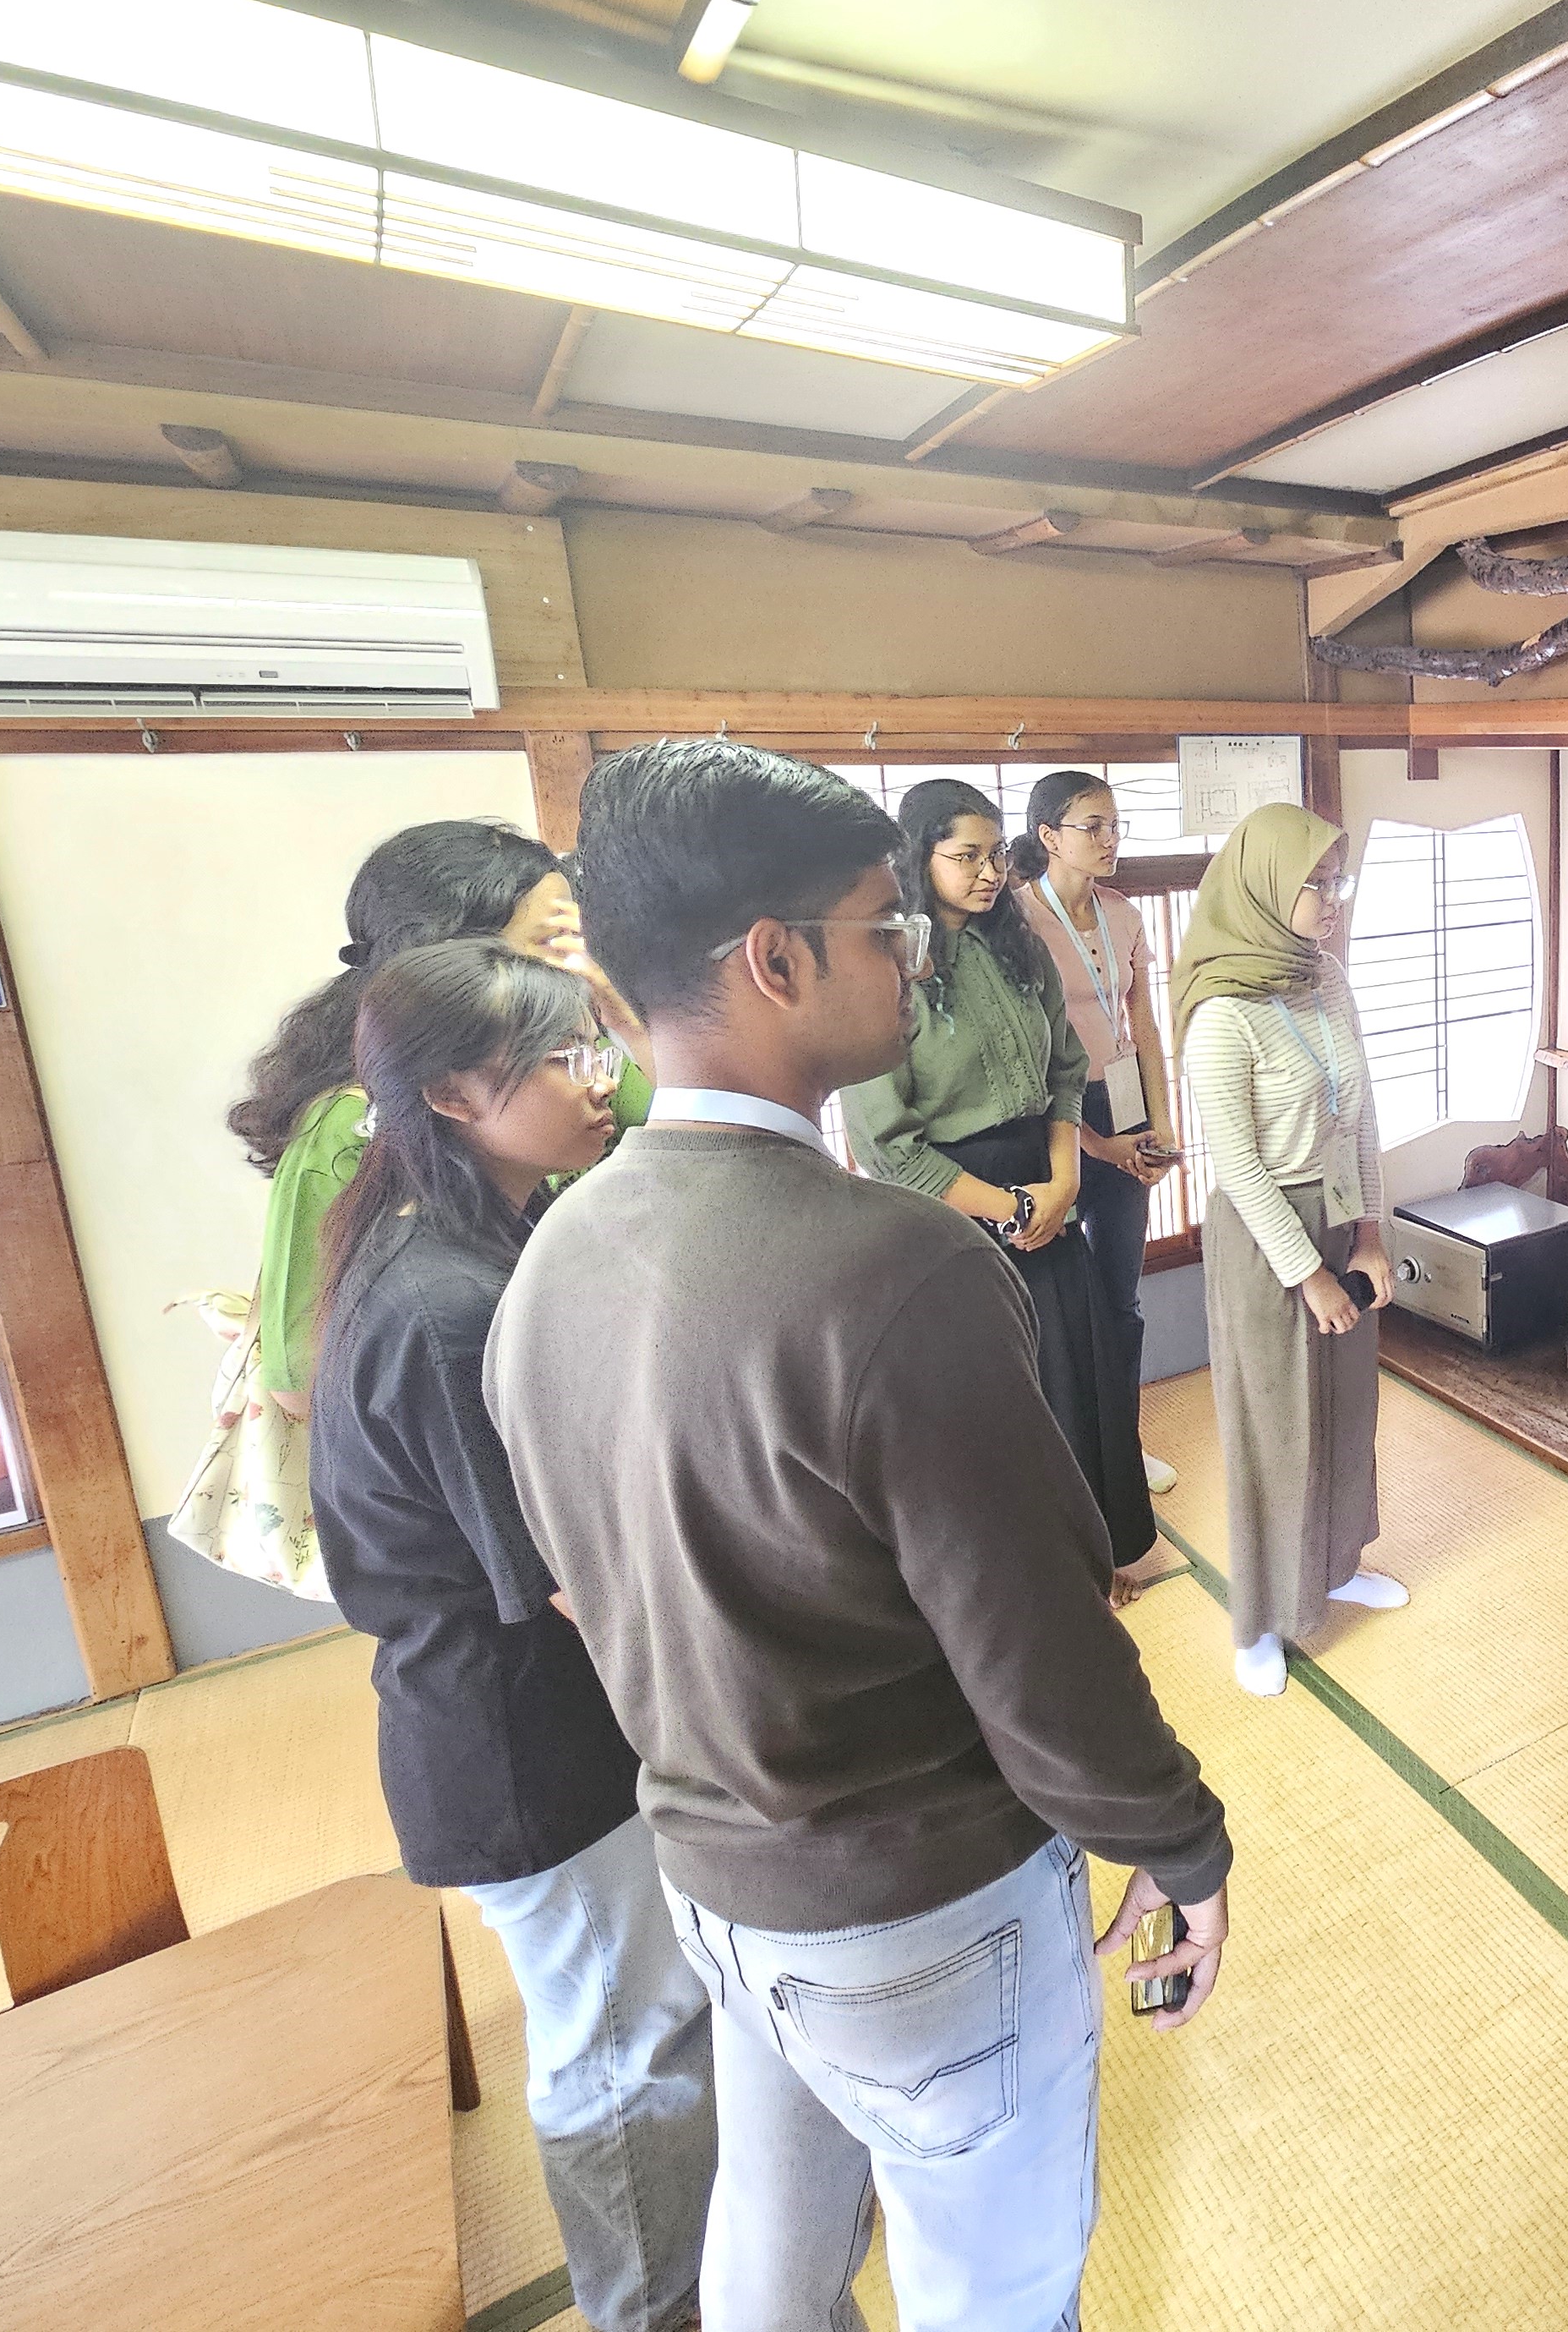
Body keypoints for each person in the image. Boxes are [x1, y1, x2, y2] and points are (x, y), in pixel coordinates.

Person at [483, 740, 1230, 2332]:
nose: (911, 957)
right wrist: (1180, 1842)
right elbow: (1040, 1651)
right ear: (774, 960)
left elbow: (592, 1588)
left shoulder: (555, 1257)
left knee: (775, 2223)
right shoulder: (894, 1272)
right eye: (885, 926)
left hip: (714, 1875)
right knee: (994, 2282)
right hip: (919, 1907)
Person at [307, 939, 714, 2332]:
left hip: (547, 1712)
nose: (601, 1083)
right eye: (564, 1058)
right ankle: (647, 2310)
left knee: (650, 2015)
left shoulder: (479, 1229)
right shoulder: (443, 1307)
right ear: (460, 1096)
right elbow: (571, 1578)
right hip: (519, 1742)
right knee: (623, 2047)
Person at [843, 780, 1156, 1603]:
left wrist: (1061, 1184)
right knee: (996, 1403)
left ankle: (1098, 1551)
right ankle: (1031, 1582)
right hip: (951, 1210)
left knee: (1073, 1381)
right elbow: (889, 1148)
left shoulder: (1014, 947)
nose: (989, 873)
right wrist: (1017, 1208)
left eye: (993, 854)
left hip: (1047, 1184)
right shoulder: (884, 969)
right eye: (965, 856)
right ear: (919, 858)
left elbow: (1063, 1074)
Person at [231, 818, 650, 1419]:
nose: (580, 965)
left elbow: (708, 1146)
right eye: (551, 943)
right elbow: (301, 1383)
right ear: (461, 964)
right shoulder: (347, 1129)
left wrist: (631, 1019)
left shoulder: (596, 1060)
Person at [1174, 803, 1401, 1699]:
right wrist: (1306, 1276)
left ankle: (1337, 1564)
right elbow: (1237, 1166)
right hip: (1267, 1239)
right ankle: (1259, 1618)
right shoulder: (1221, 1016)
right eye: (1316, 884)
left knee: (1345, 1409)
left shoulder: (1325, 978)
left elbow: (1365, 1117)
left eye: (1336, 881)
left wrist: (1375, 1236)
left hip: (1342, 1215)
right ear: (1267, 888)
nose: (1332, 899)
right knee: (1274, 1427)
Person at [1007, 770, 1183, 1501]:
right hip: (1050, 1117)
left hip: (1124, 1103)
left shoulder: (1123, 914)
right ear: (1049, 836)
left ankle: (1124, 1448)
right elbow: (1030, 1053)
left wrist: (1161, 1124)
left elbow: (1140, 1024)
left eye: (1116, 825)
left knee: (1120, 1295)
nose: (1110, 840)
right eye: (1092, 825)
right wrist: (1093, 1145)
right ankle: (1067, 1461)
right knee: (1055, 1306)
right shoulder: (1015, 921)